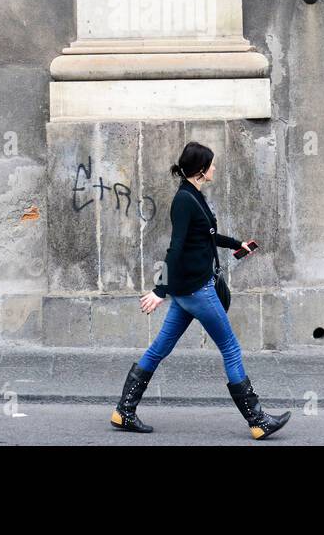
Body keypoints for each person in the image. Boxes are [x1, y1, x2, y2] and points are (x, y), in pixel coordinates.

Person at [110, 141, 290, 440]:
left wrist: (237, 244)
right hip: (195, 291)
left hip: (187, 293)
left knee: (159, 349)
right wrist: (159, 289)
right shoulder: (183, 200)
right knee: (231, 349)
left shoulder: (193, 195)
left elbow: (205, 235)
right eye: (212, 164)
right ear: (201, 170)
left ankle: (123, 412)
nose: (215, 168)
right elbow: (175, 248)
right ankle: (257, 421)